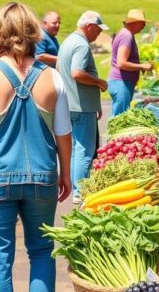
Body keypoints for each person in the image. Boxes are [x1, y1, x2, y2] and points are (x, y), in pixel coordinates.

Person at [0, 2, 72, 291]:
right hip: (42, 177)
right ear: (33, 31)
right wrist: (65, 174)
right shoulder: (52, 76)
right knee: (42, 252)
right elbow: (64, 135)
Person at [57, 11, 108, 203]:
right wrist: (99, 82)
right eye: (98, 29)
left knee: (73, 148)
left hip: (68, 104)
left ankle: (73, 186)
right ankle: (80, 191)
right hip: (81, 106)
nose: (98, 34)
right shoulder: (82, 45)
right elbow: (77, 73)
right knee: (84, 150)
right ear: (89, 26)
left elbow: (60, 70)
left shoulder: (68, 42)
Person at [108, 9, 152, 116]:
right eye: (142, 22)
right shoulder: (126, 36)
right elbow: (121, 63)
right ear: (134, 23)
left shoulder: (125, 34)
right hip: (121, 82)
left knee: (118, 116)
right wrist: (142, 66)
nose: (144, 25)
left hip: (120, 82)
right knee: (119, 118)